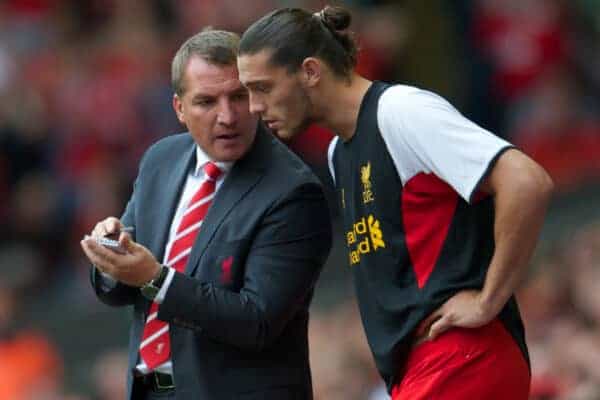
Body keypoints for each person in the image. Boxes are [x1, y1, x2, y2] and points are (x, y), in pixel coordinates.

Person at [237, 6, 554, 399]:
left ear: (310, 71)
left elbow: (526, 182)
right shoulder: (339, 153)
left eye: (262, 88)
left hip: (462, 358)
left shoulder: (400, 111)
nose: (253, 106)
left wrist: (490, 298)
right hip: (420, 371)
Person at [80, 29, 332, 400]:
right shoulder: (160, 160)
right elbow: (122, 283)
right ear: (179, 109)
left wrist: (154, 279)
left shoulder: (293, 192)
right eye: (206, 102)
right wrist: (110, 254)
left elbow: (256, 321)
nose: (227, 116)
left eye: (238, 96)